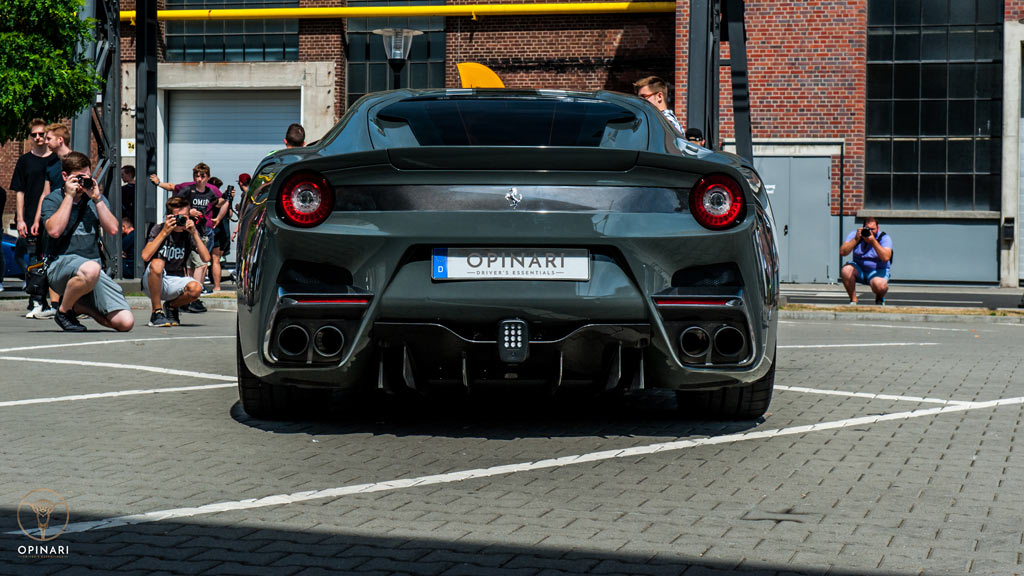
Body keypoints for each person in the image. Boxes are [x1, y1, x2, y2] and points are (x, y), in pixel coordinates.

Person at [41, 151, 133, 332]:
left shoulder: (94, 199)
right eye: (78, 178)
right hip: (60, 265)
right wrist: (69, 197)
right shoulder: (53, 199)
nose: (83, 183)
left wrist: (97, 199)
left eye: (87, 177)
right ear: (65, 177)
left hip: (92, 270)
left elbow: (113, 230)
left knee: (125, 322)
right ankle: (63, 310)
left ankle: (81, 307)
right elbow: (54, 231)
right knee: (91, 268)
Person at [148, 163, 228, 311]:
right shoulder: (187, 188)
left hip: (201, 231)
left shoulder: (212, 191)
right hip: (184, 229)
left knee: (201, 263)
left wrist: (219, 217)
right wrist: (159, 183)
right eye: (196, 176)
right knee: (190, 263)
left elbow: (220, 203)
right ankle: (189, 296)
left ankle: (191, 294)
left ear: (208, 177)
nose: (199, 179)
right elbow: (173, 191)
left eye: (202, 176)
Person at [11, 118, 61, 318]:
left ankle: (56, 302)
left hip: (53, 215)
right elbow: (19, 192)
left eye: (42, 134)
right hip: (31, 217)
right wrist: (21, 219)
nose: (39, 138)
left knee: (52, 258)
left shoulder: (56, 160)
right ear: (30, 137)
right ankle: (36, 301)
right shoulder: (25, 161)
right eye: (34, 135)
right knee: (34, 258)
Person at [140, 196, 209, 327]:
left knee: (196, 288)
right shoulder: (158, 229)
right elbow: (145, 256)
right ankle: (156, 312)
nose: (181, 221)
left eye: (185, 217)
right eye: (178, 217)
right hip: (153, 280)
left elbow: (206, 258)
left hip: (175, 280)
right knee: (158, 263)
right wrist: (165, 232)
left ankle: (171, 307)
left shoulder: (188, 234)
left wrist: (194, 233)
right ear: (169, 217)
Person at [840, 217, 893, 305]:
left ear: (878, 228)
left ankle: (879, 298)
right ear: (863, 228)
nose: (870, 232)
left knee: (881, 286)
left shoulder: (884, 238)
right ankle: (853, 300)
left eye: (873, 229)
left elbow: (886, 257)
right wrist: (856, 239)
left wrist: (873, 242)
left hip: (877, 271)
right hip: (859, 270)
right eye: (868, 229)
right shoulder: (855, 234)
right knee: (846, 270)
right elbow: (843, 252)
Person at [121, 214, 135, 279]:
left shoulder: (128, 238)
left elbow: (118, 252)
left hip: (129, 268)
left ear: (124, 227)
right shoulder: (136, 234)